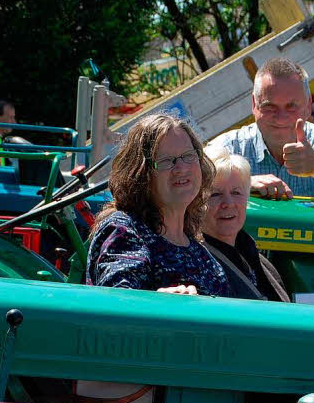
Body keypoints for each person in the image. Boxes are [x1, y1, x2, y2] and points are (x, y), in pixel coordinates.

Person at [86, 113, 229, 296]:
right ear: (140, 173)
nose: (181, 168)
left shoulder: (196, 247)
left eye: (188, 156)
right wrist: (159, 299)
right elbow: (117, 301)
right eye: (166, 161)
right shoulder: (123, 230)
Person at [208, 57, 314, 201]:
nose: (281, 117)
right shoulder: (229, 147)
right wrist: (243, 184)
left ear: (308, 105)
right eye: (270, 107)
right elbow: (190, 189)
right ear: (254, 104)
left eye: (291, 106)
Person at [201, 146, 290, 302]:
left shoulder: (253, 255)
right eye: (215, 194)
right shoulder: (196, 263)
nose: (228, 203)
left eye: (236, 192)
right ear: (196, 202)